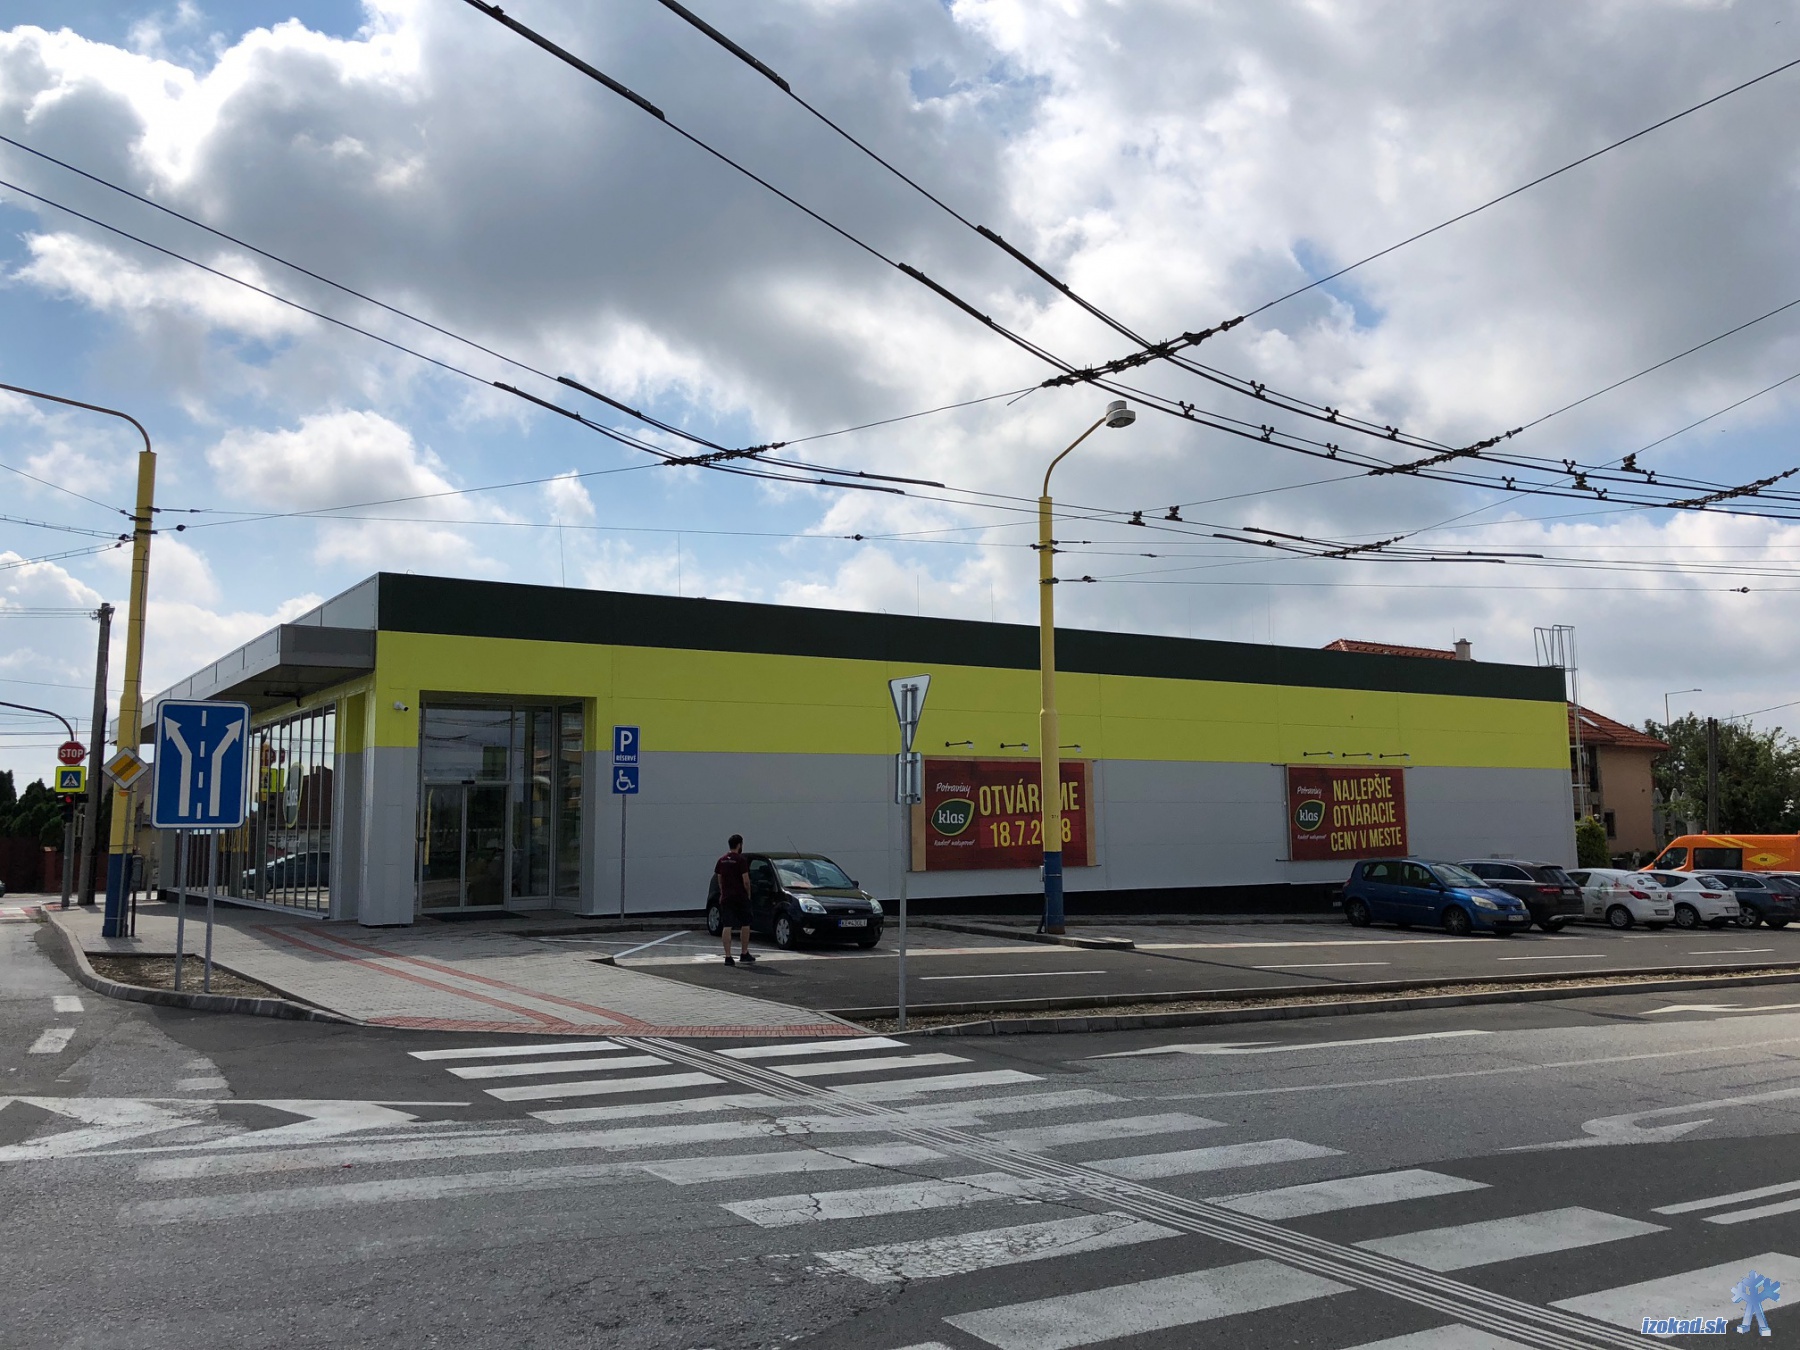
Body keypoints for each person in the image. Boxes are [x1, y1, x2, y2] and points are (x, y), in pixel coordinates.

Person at [715, 834, 755, 966]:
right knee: (745, 924)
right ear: (739, 845)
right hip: (740, 896)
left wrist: (722, 892)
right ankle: (744, 953)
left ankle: (728, 956)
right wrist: (748, 894)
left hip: (726, 897)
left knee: (727, 925)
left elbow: (719, 878)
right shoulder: (741, 860)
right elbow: (746, 881)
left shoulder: (721, 860)